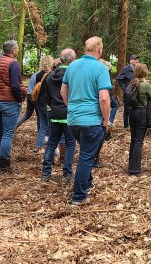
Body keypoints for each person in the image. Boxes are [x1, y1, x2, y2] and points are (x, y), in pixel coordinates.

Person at [61, 36, 111, 205]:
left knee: (85, 152)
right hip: (91, 120)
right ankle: (79, 196)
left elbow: (63, 91)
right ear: (99, 49)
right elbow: (104, 99)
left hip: (73, 120)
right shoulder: (100, 68)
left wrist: (71, 107)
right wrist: (105, 120)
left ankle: (87, 183)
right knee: (86, 157)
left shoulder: (72, 66)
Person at [0, 40, 26, 171]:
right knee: (8, 134)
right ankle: (4, 164)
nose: (18, 51)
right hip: (9, 102)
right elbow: (15, 85)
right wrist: (20, 98)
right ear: (13, 50)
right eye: (17, 49)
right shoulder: (13, 64)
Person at [41, 49, 77, 183]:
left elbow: (47, 97)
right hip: (69, 114)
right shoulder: (73, 75)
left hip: (54, 113)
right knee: (70, 144)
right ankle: (67, 174)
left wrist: (55, 106)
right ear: (72, 60)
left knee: (51, 143)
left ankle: (46, 172)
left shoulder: (50, 76)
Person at [127, 63, 151, 176]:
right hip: (141, 113)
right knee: (139, 142)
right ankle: (135, 169)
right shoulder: (145, 84)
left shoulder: (132, 83)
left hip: (132, 113)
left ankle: (131, 166)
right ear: (144, 72)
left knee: (133, 140)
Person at [33, 55, 54, 152]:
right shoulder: (51, 75)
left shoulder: (38, 75)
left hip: (39, 103)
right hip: (48, 103)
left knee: (42, 126)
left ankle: (38, 146)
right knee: (51, 126)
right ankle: (50, 147)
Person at [117, 54, 139, 128]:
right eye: (134, 59)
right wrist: (125, 89)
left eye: (137, 59)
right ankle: (126, 125)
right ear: (130, 61)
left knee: (135, 108)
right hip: (128, 93)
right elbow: (119, 79)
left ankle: (133, 124)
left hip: (136, 92)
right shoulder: (126, 69)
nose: (136, 60)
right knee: (127, 109)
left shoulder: (138, 69)